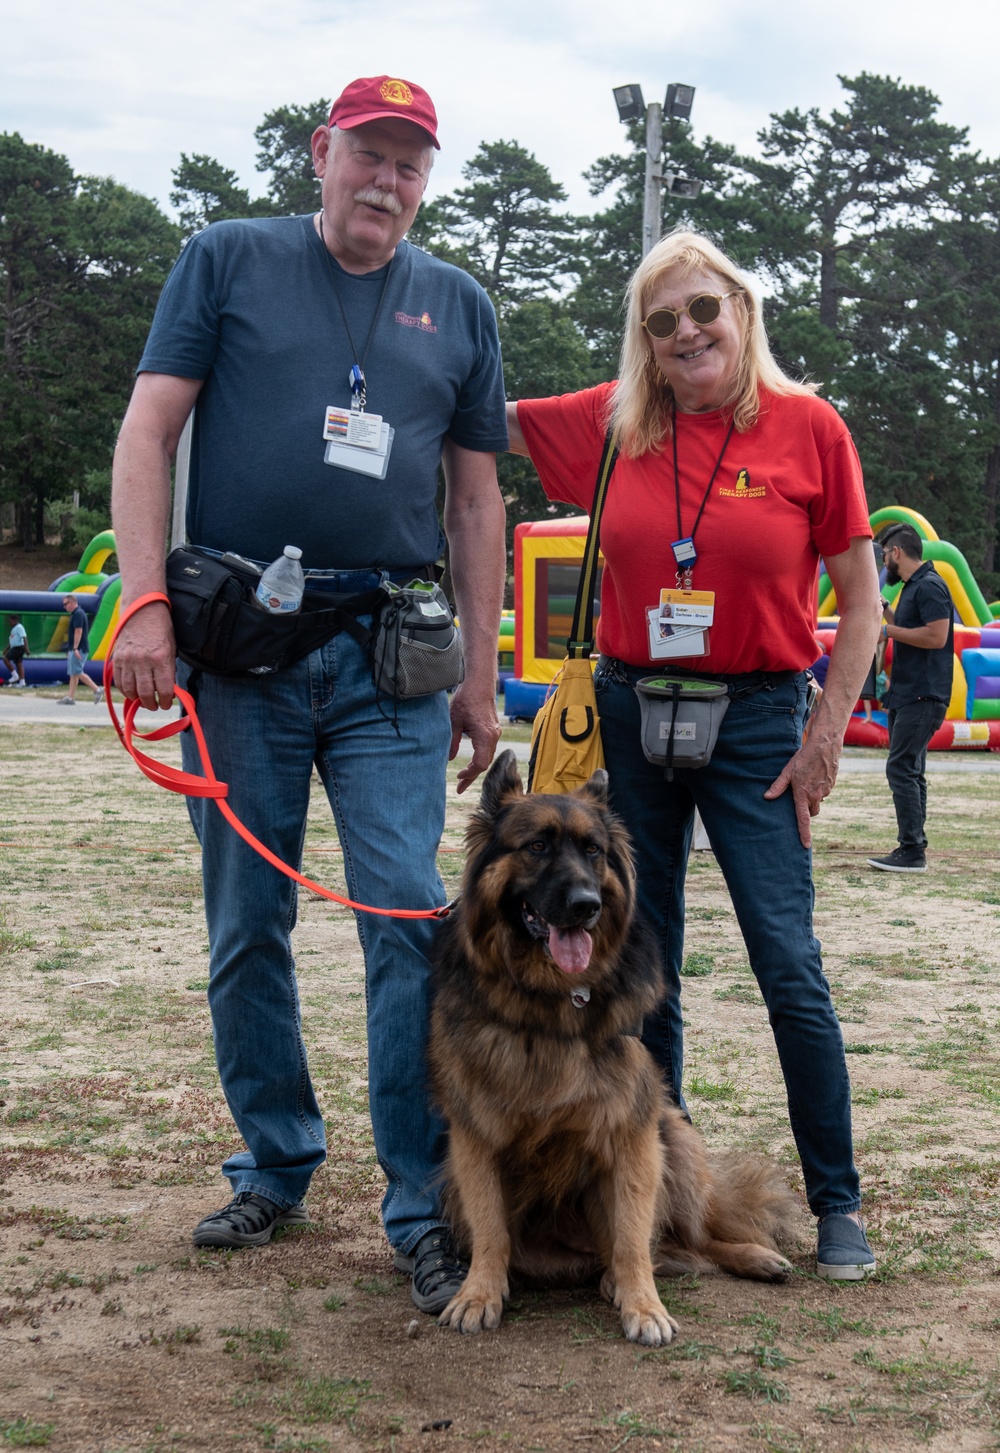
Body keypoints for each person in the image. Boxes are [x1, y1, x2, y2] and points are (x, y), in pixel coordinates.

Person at [110, 75, 507, 1314]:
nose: (386, 182)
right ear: (320, 154)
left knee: (403, 918)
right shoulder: (224, 259)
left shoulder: (459, 303)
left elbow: (476, 500)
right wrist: (143, 607)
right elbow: (147, 434)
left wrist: (484, 675)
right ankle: (275, 1159)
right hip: (241, 654)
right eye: (368, 156)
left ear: (424, 181)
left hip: (391, 659)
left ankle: (419, 1203)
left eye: (410, 164)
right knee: (247, 929)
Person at [506, 230, 883, 1280]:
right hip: (632, 717)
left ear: (743, 311)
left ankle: (836, 1198)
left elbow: (859, 608)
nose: (685, 332)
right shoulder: (613, 420)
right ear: (643, 338)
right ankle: (654, 1194)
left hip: (760, 721)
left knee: (786, 962)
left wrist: (822, 739)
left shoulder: (808, 429)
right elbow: (466, 414)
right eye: (661, 320)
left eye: (702, 310)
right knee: (639, 967)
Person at [867, 523, 953, 873]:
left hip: (924, 694)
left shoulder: (930, 586)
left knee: (901, 768)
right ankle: (913, 846)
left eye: (885, 554)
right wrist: (884, 609)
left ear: (897, 553)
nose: (884, 561)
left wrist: (887, 629)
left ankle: (912, 850)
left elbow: (936, 636)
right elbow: (907, 627)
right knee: (911, 769)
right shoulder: (912, 588)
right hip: (907, 693)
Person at [59, 595, 104, 705]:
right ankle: (70, 697)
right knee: (73, 674)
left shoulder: (78, 614)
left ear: (71, 602)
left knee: (77, 672)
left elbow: (78, 631)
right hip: (76, 648)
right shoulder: (76, 613)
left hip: (79, 648)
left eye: (65, 604)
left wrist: (75, 648)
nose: (64, 607)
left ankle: (97, 690)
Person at [4, 615, 29, 685]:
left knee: (6, 659)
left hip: (18, 647)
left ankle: (15, 676)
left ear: (15, 620)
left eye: (10, 621)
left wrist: (26, 648)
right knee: (19, 664)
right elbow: (12, 641)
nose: (10, 623)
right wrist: (6, 649)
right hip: (15, 647)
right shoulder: (14, 629)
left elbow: (24, 637)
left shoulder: (19, 627)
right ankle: (22, 682)